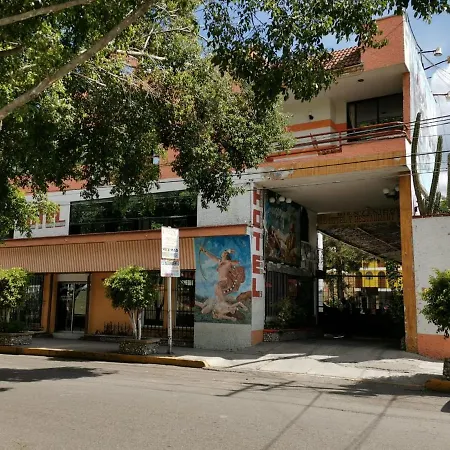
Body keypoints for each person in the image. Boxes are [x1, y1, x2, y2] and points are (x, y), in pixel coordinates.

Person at [195, 247, 248, 321]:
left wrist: (228, 252)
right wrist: (204, 251)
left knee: (217, 287)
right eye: (223, 253)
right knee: (208, 304)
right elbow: (213, 257)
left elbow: (238, 264)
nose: (222, 254)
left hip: (226, 282)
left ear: (225, 255)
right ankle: (216, 304)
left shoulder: (229, 262)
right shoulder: (220, 262)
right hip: (221, 285)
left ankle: (220, 304)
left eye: (224, 253)